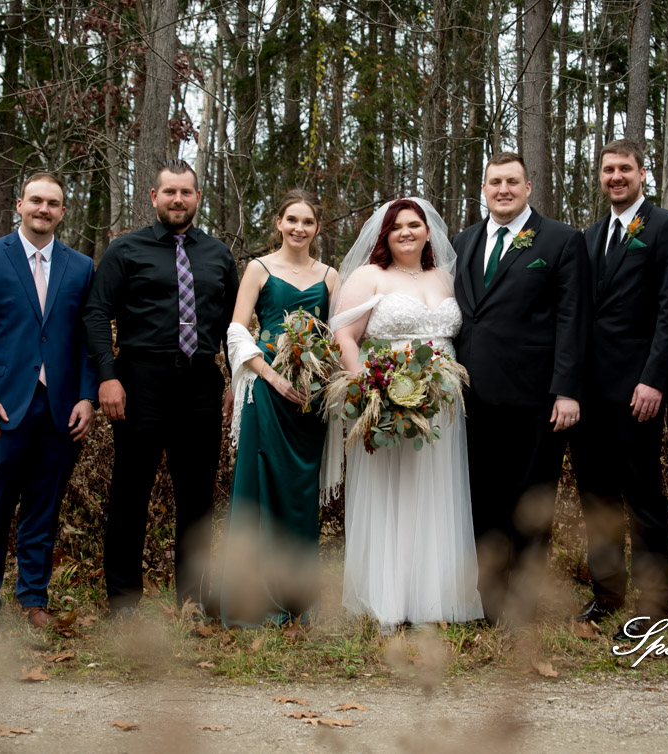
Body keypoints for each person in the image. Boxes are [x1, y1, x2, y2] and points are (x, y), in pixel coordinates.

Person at [83, 159, 239, 615]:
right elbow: (96, 313)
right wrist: (107, 376)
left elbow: (233, 324)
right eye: (168, 192)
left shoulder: (218, 255)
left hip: (201, 384)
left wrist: (234, 379)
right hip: (139, 380)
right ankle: (125, 602)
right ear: (153, 197)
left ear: (197, 198)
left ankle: (191, 600)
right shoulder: (125, 250)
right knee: (131, 491)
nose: (177, 199)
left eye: (185, 192)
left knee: (197, 497)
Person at [329, 197, 483, 629]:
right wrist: (370, 390)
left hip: (445, 402)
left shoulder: (446, 277)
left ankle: (435, 601)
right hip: (390, 397)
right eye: (397, 227)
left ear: (428, 231)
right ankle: (390, 601)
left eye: (414, 225)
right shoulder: (369, 276)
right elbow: (344, 333)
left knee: (438, 493)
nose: (406, 233)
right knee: (394, 494)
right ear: (385, 234)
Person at [451, 154, 590, 625]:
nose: (503, 189)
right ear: (484, 188)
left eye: (512, 181)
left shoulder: (562, 240)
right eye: (495, 182)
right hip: (471, 402)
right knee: (482, 503)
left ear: (529, 187)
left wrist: (568, 390)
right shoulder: (464, 240)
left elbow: (573, 319)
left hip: (536, 401)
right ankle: (487, 603)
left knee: (530, 504)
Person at [0, 173, 98, 635]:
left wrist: (87, 395)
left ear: (62, 211)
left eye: (53, 203)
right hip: (0, 406)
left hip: (60, 408)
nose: (44, 208)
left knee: (44, 509)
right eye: (36, 200)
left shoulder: (80, 267)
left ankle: (34, 599)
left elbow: (86, 337)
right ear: (20, 204)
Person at [570, 139, 668, 637]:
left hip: (637, 390)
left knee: (642, 495)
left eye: (625, 169)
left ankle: (655, 598)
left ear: (644, 174)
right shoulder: (592, 233)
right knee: (595, 496)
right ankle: (607, 591)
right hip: (589, 391)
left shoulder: (666, 228)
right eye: (608, 170)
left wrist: (653, 379)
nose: (616, 177)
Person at [219, 190, 338, 627]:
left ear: (317, 228)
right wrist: (270, 375)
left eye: (308, 221)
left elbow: (340, 335)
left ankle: (297, 597)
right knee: (260, 488)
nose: (299, 228)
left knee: (301, 493)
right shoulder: (259, 268)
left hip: (311, 400)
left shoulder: (330, 276)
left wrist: (327, 377)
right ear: (278, 222)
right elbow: (236, 330)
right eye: (292, 219)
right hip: (268, 392)